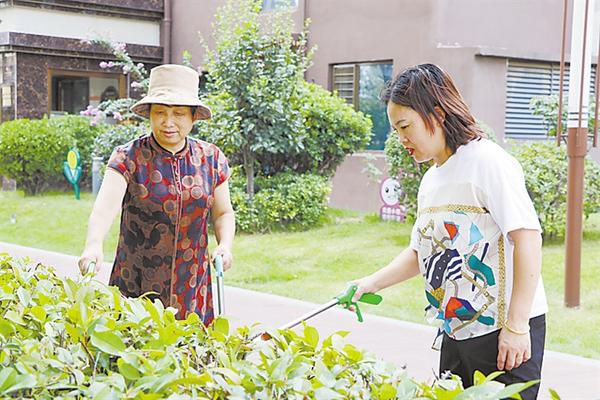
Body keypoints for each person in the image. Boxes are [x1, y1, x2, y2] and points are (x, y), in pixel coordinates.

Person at [351, 63, 547, 399]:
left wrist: (517, 326)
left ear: (438, 114)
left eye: (405, 126)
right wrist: (368, 284)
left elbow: (527, 238)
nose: (401, 139)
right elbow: (421, 252)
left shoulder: (489, 162)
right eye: (396, 130)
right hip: (455, 331)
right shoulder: (431, 179)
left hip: (502, 332)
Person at [78, 64, 235, 325]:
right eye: (160, 112)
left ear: (193, 117)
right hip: (136, 282)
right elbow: (105, 208)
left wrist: (225, 245)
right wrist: (93, 244)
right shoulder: (128, 157)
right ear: (149, 114)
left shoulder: (211, 158)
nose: (168, 122)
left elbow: (223, 213)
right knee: (134, 345)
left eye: (179, 113)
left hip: (192, 286)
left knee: (190, 346)